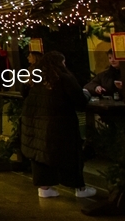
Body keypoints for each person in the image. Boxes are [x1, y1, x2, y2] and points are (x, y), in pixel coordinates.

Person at [21, 51, 96, 200]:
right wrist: (87, 93)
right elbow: (80, 101)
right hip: (58, 124)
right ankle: (79, 188)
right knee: (69, 155)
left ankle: (44, 188)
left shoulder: (33, 77)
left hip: (34, 122)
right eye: (63, 62)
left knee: (40, 155)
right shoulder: (63, 78)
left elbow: (24, 93)